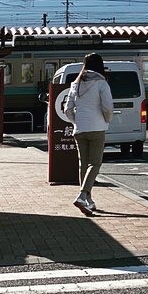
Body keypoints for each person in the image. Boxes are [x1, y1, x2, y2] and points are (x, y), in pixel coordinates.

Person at [62, 53, 114, 216]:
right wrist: (106, 120)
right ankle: (82, 195)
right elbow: (108, 107)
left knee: (83, 164)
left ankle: (88, 201)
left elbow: (67, 109)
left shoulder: (75, 84)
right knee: (95, 163)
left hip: (80, 130)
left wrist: (76, 122)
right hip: (97, 128)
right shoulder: (102, 83)